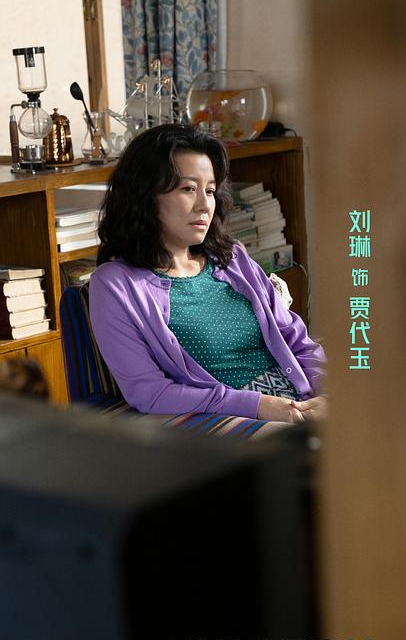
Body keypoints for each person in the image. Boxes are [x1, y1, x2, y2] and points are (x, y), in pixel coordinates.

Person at [89, 124, 326, 424]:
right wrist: (258, 406)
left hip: (301, 405)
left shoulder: (233, 258)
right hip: (237, 421)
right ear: (145, 195)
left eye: (210, 191)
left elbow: (296, 339)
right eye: (188, 189)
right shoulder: (115, 285)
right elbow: (149, 392)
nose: (204, 205)